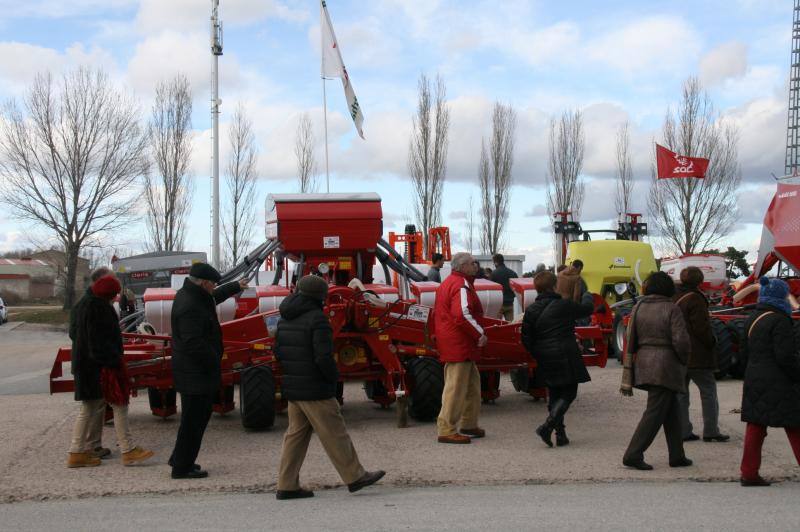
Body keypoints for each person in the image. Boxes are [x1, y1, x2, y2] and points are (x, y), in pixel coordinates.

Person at [275, 275, 385, 499]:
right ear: (320, 296)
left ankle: (286, 485)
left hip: (294, 387)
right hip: (315, 388)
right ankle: (355, 476)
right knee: (335, 433)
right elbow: (323, 358)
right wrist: (333, 379)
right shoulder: (318, 319)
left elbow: (279, 351)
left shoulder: (285, 317)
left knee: (295, 436)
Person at [67, 274, 154, 468]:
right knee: (120, 405)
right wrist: (114, 362)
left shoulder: (83, 306)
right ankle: (128, 450)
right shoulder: (100, 309)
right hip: (102, 368)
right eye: (115, 294)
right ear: (109, 294)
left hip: (86, 367)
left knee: (88, 409)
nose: (116, 298)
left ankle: (77, 452)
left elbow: (76, 335)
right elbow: (100, 344)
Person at [168, 263, 246, 479]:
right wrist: (215, 359)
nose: (214, 287)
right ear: (203, 283)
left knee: (193, 420)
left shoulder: (191, 295)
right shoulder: (190, 306)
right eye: (212, 284)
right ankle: (181, 468)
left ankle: (181, 459)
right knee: (194, 421)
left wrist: (234, 286)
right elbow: (193, 343)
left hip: (193, 372)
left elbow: (214, 297)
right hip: (195, 373)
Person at [621, 271, 692, 470]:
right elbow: (681, 341)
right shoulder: (672, 308)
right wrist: (685, 360)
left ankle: (677, 455)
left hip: (644, 361)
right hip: (666, 364)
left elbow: (631, 337)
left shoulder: (639, 307)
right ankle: (633, 454)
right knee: (655, 412)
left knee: (670, 411)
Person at [739, 277, 800, 487]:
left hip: (754, 378)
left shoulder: (752, 317)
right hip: (779, 380)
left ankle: (749, 473)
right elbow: (785, 356)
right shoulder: (780, 320)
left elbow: (744, 354)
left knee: (755, 427)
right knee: (795, 425)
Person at [522, 271, 594, 447]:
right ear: (554, 286)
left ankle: (560, 435)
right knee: (569, 392)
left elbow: (526, 338)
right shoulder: (564, 305)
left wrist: (538, 352)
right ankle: (547, 427)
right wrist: (587, 295)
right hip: (565, 352)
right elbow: (586, 309)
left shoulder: (531, 310)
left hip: (544, 356)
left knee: (554, 393)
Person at [434, 252, 487, 444]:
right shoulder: (461, 285)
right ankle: (447, 428)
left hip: (456, 343)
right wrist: (479, 333)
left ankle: (468, 424)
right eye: (473, 263)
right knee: (456, 388)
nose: (476, 266)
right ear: (463, 266)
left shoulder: (450, 282)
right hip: (460, 343)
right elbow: (462, 314)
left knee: (471, 385)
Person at [673, 267, 729, 443]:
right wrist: (712, 342)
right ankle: (711, 430)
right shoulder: (696, 299)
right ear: (699, 281)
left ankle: (683, 430)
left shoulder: (674, 297)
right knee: (708, 392)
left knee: (682, 394)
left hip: (679, 353)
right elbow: (701, 327)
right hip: (697, 354)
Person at [69, 266, 113, 460]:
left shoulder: (94, 303)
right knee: (88, 406)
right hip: (88, 364)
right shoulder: (87, 305)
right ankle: (78, 450)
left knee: (98, 404)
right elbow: (77, 334)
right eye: (110, 281)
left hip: (91, 363)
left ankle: (93, 446)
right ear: (100, 282)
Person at [490, 254, 518, 321]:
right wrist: (511, 296)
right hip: (510, 303)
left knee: (497, 326)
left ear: (496, 262)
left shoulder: (494, 274)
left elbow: (491, 290)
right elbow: (516, 289)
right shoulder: (513, 273)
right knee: (510, 325)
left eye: (494, 262)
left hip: (498, 305)